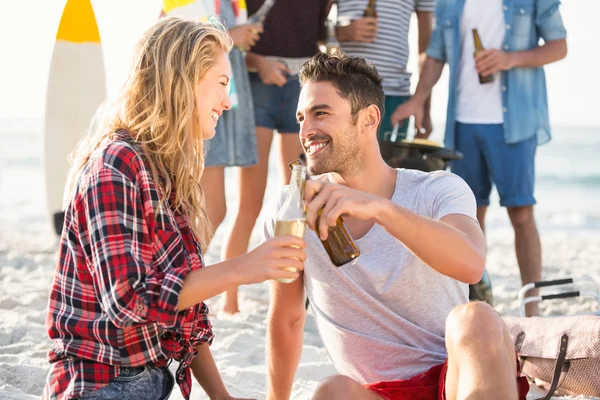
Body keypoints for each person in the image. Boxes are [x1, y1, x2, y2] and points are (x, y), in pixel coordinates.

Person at [42, 17, 306, 400]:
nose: (228, 101)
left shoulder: (163, 171)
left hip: (151, 382)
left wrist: (223, 397)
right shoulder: (116, 164)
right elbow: (130, 301)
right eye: (221, 84)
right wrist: (243, 268)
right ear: (182, 81)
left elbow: (184, 315)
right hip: (99, 384)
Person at [263, 53, 530, 400]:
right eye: (301, 117)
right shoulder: (293, 211)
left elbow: (471, 264)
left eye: (321, 113)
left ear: (369, 119)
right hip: (377, 392)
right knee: (332, 392)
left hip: (458, 381)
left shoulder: (435, 190)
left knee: (476, 318)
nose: (305, 130)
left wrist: (380, 210)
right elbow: (286, 320)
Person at [391, 0, 567, 316]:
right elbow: (434, 55)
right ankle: (473, 308)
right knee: (468, 216)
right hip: (462, 124)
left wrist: (510, 59)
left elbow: (559, 47)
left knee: (522, 214)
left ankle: (533, 313)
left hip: (515, 124)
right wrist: (418, 100)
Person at [219, 0, 330, 316]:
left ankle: (286, 297)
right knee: (249, 204)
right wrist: (260, 63)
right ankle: (229, 299)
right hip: (259, 85)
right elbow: (231, 39)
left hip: (306, 88)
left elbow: (322, 36)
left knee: (294, 202)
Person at [335, 0, 435, 141]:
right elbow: (311, 26)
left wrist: (425, 110)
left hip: (394, 100)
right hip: (344, 94)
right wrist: (342, 32)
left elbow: (427, 50)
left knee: (389, 162)